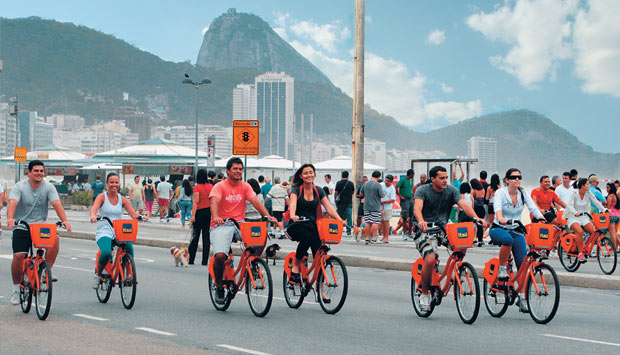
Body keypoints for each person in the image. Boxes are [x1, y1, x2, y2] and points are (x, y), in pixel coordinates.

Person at [414, 165, 486, 311]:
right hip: (425, 230)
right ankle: (425, 294)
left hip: (443, 229)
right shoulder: (423, 190)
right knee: (429, 258)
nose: (445, 180)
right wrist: (421, 221)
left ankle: (456, 271)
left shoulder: (451, 190)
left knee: (462, 244)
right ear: (433, 178)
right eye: (442, 178)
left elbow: (464, 205)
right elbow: (417, 208)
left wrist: (477, 218)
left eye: (446, 177)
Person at [209, 158, 276, 304]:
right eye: (235, 169)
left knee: (261, 235)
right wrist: (216, 217)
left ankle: (253, 264)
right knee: (220, 255)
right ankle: (219, 286)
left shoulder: (245, 186)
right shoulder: (219, 186)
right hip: (221, 224)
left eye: (240, 169)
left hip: (240, 224)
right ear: (228, 171)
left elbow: (256, 201)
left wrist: (267, 215)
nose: (238, 171)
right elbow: (214, 202)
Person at [7, 160, 72, 305]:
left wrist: (65, 220)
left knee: (55, 239)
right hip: (22, 225)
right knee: (19, 256)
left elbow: (56, 204)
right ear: (29, 172)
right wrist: (11, 218)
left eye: (41, 171)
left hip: (39, 226)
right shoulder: (19, 187)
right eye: (36, 171)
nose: (39, 174)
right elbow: (13, 203)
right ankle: (16, 289)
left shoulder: (48, 187)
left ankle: (44, 272)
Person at [490, 168, 545, 312]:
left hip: (516, 230)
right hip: (498, 228)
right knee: (507, 240)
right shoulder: (500, 193)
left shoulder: (523, 193)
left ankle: (522, 297)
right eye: (514, 177)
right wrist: (501, 218)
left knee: (523, 266)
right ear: (507, 180)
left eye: (519, 177)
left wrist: (541, 217)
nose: (517, 179)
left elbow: (532, 208)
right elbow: (497, 207)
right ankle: (502, 268)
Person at [287, 163, 341, 284]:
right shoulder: (296, 190)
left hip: (313, 225)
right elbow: (292, 204)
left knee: (319, 255)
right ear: (301, 176)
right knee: (307, 237)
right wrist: (293, 215)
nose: (309, 175)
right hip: (297, 224)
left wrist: (340, 220)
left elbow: (329, 208)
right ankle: (296, 265)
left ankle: (320, 291)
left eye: (311, 172)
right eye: (306, 173)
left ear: (314, 174)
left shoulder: (319, 190)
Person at [90, 172, 141, 289]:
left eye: (116, 182)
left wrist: (141, 217)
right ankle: (98, 274)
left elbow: (133, 213)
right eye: (111, 182)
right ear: (107, 183)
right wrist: (93, 215)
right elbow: (94, 208)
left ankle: (129, 275)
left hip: (118, 231)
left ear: (119, 184)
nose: (114, 185)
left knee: (129, 246)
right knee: (107, 252)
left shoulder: (122, 199)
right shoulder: (102, 197)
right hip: (104, 231)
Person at [564, 178, 606, 262]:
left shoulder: (588, 193)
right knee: (579, 231)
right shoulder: (574, 193)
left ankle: (584, 247)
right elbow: (570, 205)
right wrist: (575, 212)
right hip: (573, 217)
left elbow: (596, 202)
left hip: (584, 217)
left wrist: (604, 210)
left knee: (594, 232)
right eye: (587, 184)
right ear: (582, 186)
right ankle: (580, 253)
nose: (589, 185)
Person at [189, 169, 213, 266]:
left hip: (199, 213)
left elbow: (196, 201)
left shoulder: (197, 187)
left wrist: (193, 215)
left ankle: (191, 259)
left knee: (195, 237)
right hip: (209, 213)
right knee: (206, 238)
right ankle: (204, 261)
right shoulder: (211, 186)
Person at [362, 171, 386, 244]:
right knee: (374, 222)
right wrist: (384, 194)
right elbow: (382, 195)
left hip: (366, 206)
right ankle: (374, 238)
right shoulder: (378, 185)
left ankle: (367, 237)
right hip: (375, 206)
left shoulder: (365, 184)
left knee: (367, 222)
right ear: (379, 177)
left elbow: (361, 193)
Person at [396, 169, 414, 239]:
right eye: (413, 174)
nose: (413, 175)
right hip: (405, 200)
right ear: (410, 174)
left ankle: (409, 233)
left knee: (411, 216)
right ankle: (404, 234)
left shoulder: (409, 180)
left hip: (410, 199)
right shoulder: (403, 180)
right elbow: (396, 186)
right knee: (404, 217)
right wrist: (400, 196)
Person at [334, 171, 354, 235]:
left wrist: (335, 200)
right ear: (348, 176)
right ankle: (349, 230)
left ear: (342, 176)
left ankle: (339, 229)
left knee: (339, 217)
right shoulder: (351, 183)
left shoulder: (338, 183)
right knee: (349, 217)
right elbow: (353, 192)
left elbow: (336, 193)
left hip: (340, 203)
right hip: (349, 202)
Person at [379, 174, 396, 243]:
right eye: (386, 180)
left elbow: (393, 200)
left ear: (391, 182)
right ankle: (383, 236)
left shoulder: (392, 188)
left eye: (388, 181)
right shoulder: (381, 185)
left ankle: (386, 237)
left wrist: (384, 202)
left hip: (387, 207)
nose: (386, 182)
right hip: (380, 207)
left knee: (386, 222)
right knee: (382, 222)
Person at [470, 178, 487, 246]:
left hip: (476, 208)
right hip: (482, 207)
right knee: (481, 224)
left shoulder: (473, 190)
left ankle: (474, 238)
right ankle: (480, 239)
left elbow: (472, 199)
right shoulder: (483, 189)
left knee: (475, 223)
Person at [605, 183, 620, 251]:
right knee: (615, 233)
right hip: (618, 215)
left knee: (612, 234)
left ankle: (614, 248)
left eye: (608, 187)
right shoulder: (616, 196)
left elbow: (608, 207)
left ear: (611, 188)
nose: (606, 189)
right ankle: (615, 247)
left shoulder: (610, 196)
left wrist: (604, 206)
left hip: (611, 216)